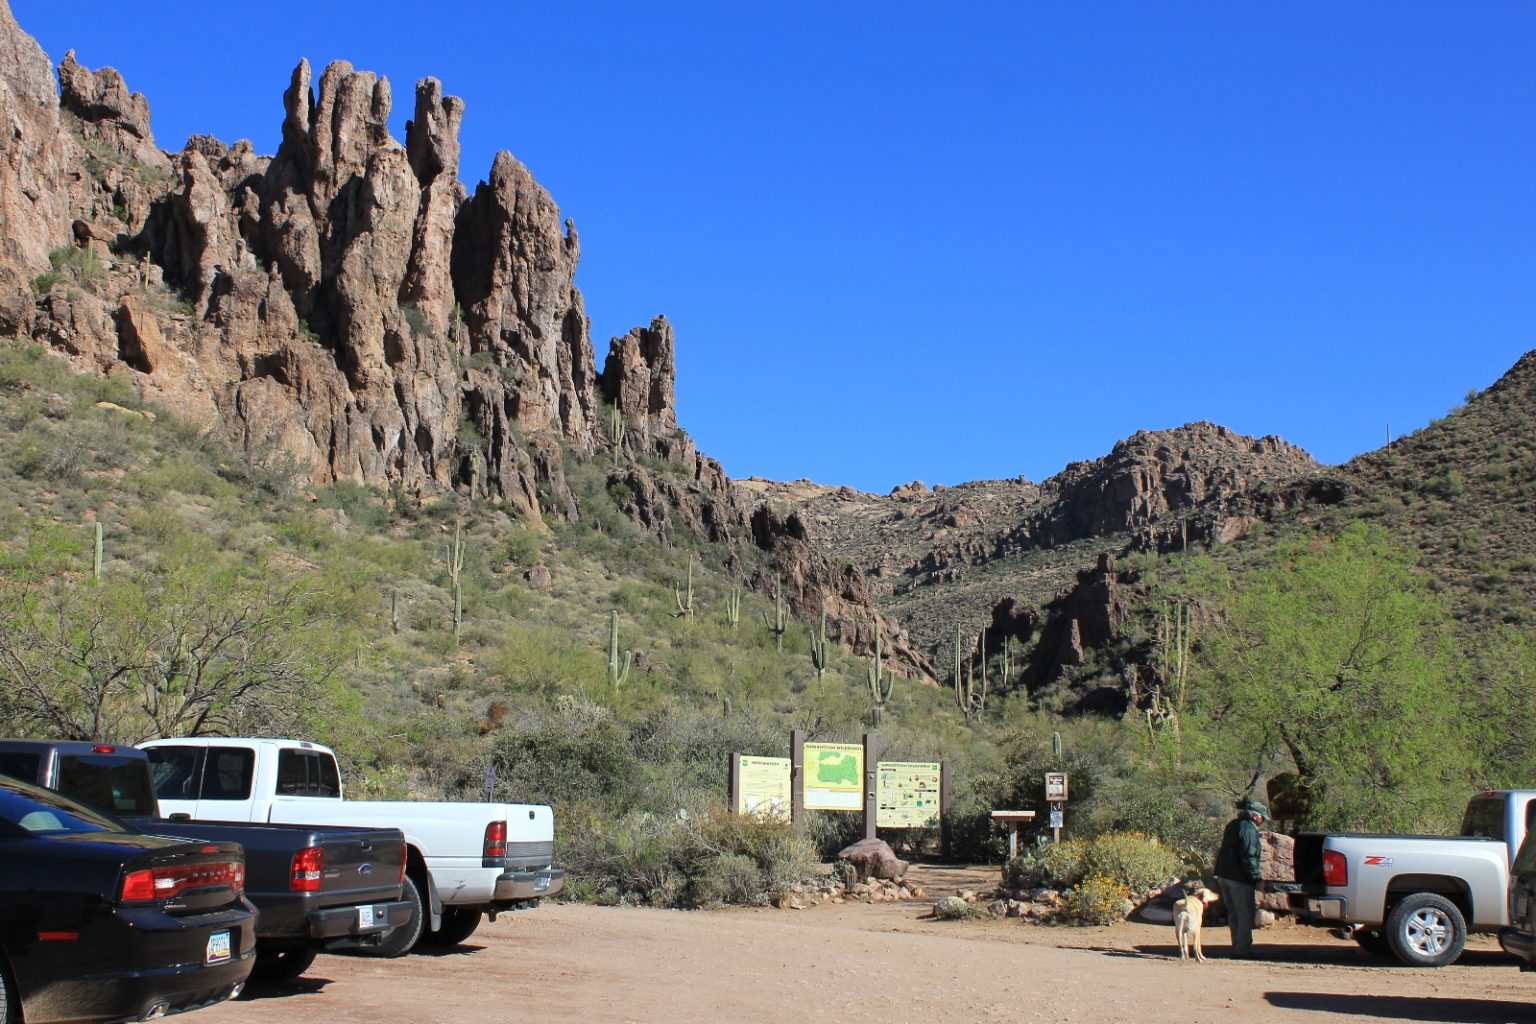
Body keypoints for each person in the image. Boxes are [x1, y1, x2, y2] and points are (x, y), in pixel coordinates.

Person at [1214, 798, 1267, 958]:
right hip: (1239, 879)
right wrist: (1257, 878)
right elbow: (1248, 856)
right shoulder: (1249, 829)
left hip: (1224, 875)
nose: (1263, 820)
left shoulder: (1233, 824)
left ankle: (1237, 946)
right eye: (1262, 817)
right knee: (1244, 914)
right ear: (1255, 816)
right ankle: (1243, 949)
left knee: (1233, 912)